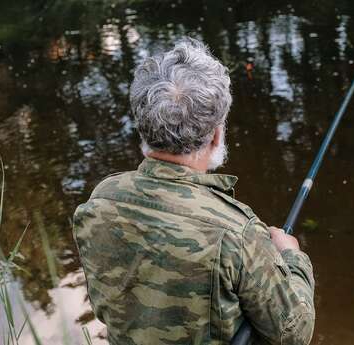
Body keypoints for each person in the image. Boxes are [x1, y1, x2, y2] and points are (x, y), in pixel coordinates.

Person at [73, 37, 315, 345]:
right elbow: (294, 333)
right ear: (216, 134)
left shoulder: (101, 200)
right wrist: (292, 256)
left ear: (143, 125)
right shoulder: (237, 233)